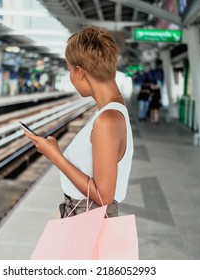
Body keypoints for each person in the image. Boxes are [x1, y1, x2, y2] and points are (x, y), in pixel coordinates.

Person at [23, 26, 133, 218]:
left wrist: (55, 156)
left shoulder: (107, 121)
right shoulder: (112, 110)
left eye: (69, 69)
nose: (71, 77)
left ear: (80, 71)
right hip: (82, 215)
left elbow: (103, 196)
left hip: (89, 220)